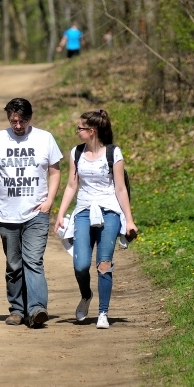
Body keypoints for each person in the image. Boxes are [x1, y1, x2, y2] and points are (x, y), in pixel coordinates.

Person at [54, 110, 137, 329]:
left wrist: (128, 220)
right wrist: (61, 214)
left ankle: (103, 313)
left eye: (80, 128)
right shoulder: (76, 152)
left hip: (109, 211)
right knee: (80, 265)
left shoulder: (114, 154)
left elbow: (120, 189)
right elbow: (72, 185)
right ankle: (86, 295)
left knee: (104, 264)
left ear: (92, 131)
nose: (77, 131)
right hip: (83, 211)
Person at [0, 98, 62, 328]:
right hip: (6, 214)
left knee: (33, 261)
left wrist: (49, 200)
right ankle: (17, 310)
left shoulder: (45, 138)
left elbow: (55, 171)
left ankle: (37, 308)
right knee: (13, 265)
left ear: (30, 118)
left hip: (36, 212)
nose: (18, 125)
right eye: (13, 121)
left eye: (22, 121)